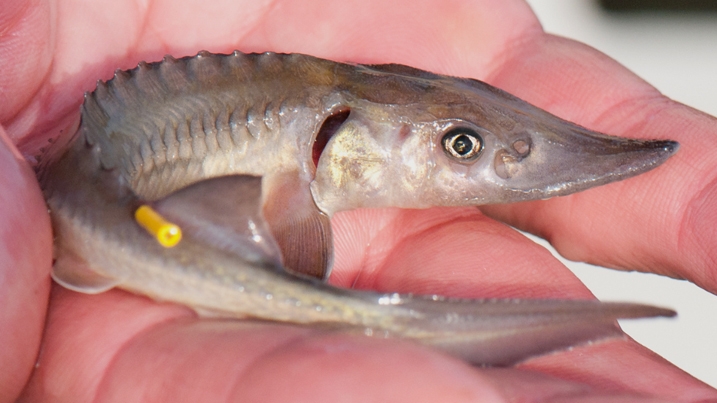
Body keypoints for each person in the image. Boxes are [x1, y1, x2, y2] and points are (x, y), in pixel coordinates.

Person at [1, 0, 715, 401]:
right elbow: (293, 235)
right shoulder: (284, 167)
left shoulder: (308, 132)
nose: (469, 158)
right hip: (87, 202)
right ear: (326, 139)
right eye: (460, 146)